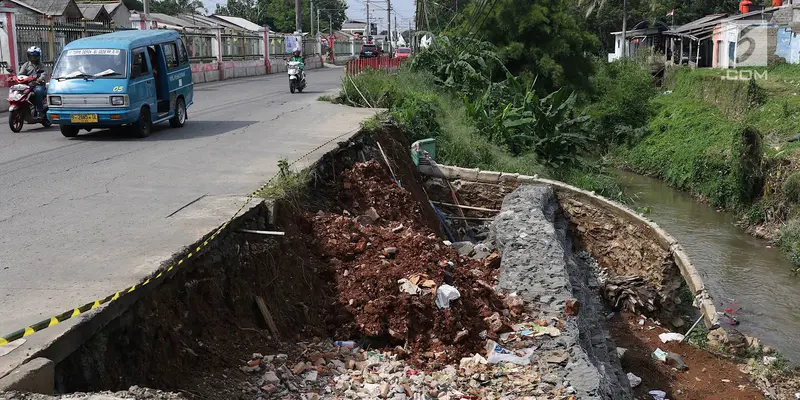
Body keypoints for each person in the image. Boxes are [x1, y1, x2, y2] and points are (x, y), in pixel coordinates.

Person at [18, 46, 47, 116]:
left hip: (38, 85)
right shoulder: (26, 65)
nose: (32, 58)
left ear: (38, 56)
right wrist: (15, 78)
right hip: (27, 85)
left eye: (34, 56)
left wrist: (40, 79)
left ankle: (40, 110)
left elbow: (44, 74)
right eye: (31, 56)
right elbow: (20, 74)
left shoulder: (42, 65)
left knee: (38, 91)